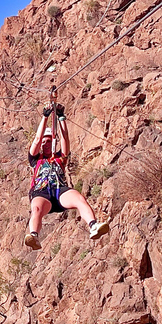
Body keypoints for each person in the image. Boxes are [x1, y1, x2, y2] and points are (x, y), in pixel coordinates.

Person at [25, 104, 109, 250]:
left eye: (48, 141)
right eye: (44, 141)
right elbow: (37, 139)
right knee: (36, 209)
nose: (45, 143)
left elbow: (65, 139)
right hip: (42, 191)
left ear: (53, 143)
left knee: (79, 198)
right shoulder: (35, 159)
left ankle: (93, 225)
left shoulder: (60, 158)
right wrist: (45, 117)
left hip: (59, 190)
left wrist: (61, 118)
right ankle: (34, 235)